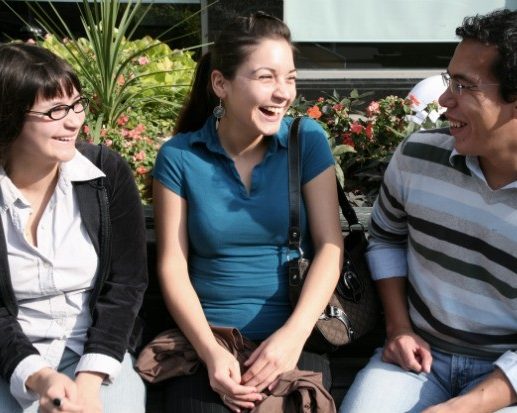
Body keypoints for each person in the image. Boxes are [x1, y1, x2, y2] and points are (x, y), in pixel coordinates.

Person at [152, 11, 343, 413]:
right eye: (265, 77)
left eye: (290, 77)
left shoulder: (305, 140)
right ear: (221, 83)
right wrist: (210, 353)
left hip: (295, 339)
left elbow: (329, 245)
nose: (283, 92)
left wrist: (292, 338)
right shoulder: (180, 156)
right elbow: (173, 264)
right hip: (208, 342)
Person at [340, 8, 517, 413]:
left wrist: (461, 407)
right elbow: (386, 236)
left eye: (464, 86)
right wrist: (398, 327)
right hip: (419, 359)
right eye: (448, 80)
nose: (443, 100)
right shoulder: (419, 156)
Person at [0, 43, 148, 412]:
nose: (74, 121)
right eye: (56, 110)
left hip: (94, 353)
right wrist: (39, 376)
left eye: (77, 104)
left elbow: (126, 285)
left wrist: (89, 382)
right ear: (10, 117)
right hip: (10, 358)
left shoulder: (106, 174)